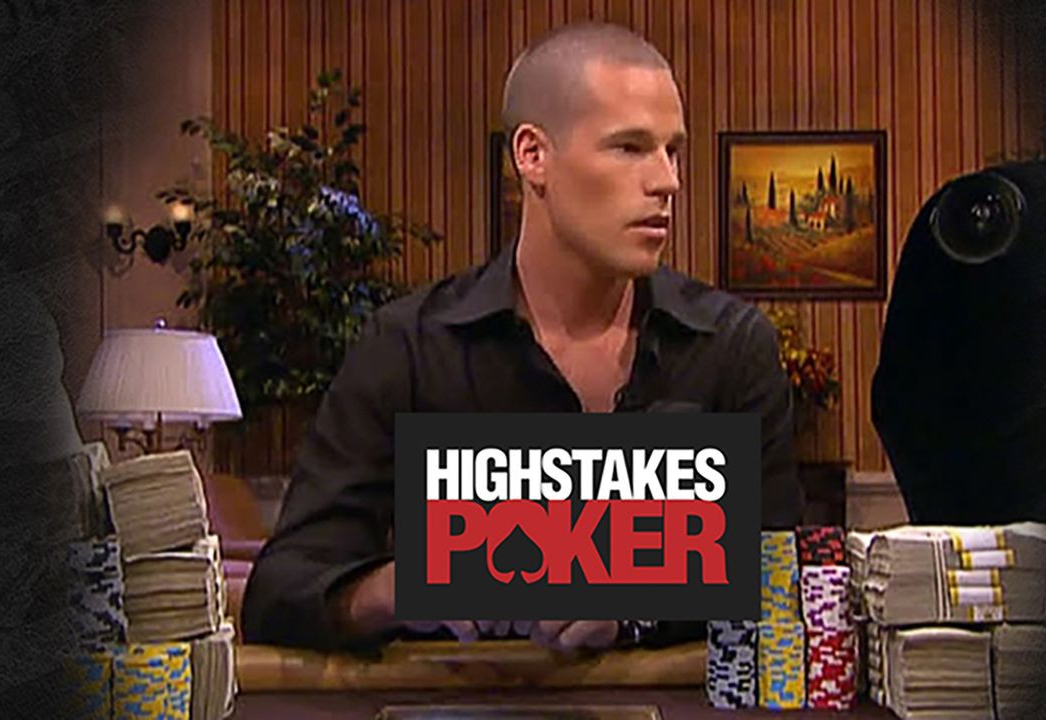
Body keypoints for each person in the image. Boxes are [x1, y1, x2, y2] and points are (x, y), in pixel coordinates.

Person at [241, 21, 802, 654]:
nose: (667, 180)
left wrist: (636, 608)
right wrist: (399, 588)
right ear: (532, 156)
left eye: (672, 151)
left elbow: (779, 588)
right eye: (630, 147)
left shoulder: (730, 347)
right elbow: (280, 592)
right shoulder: (409, 349)